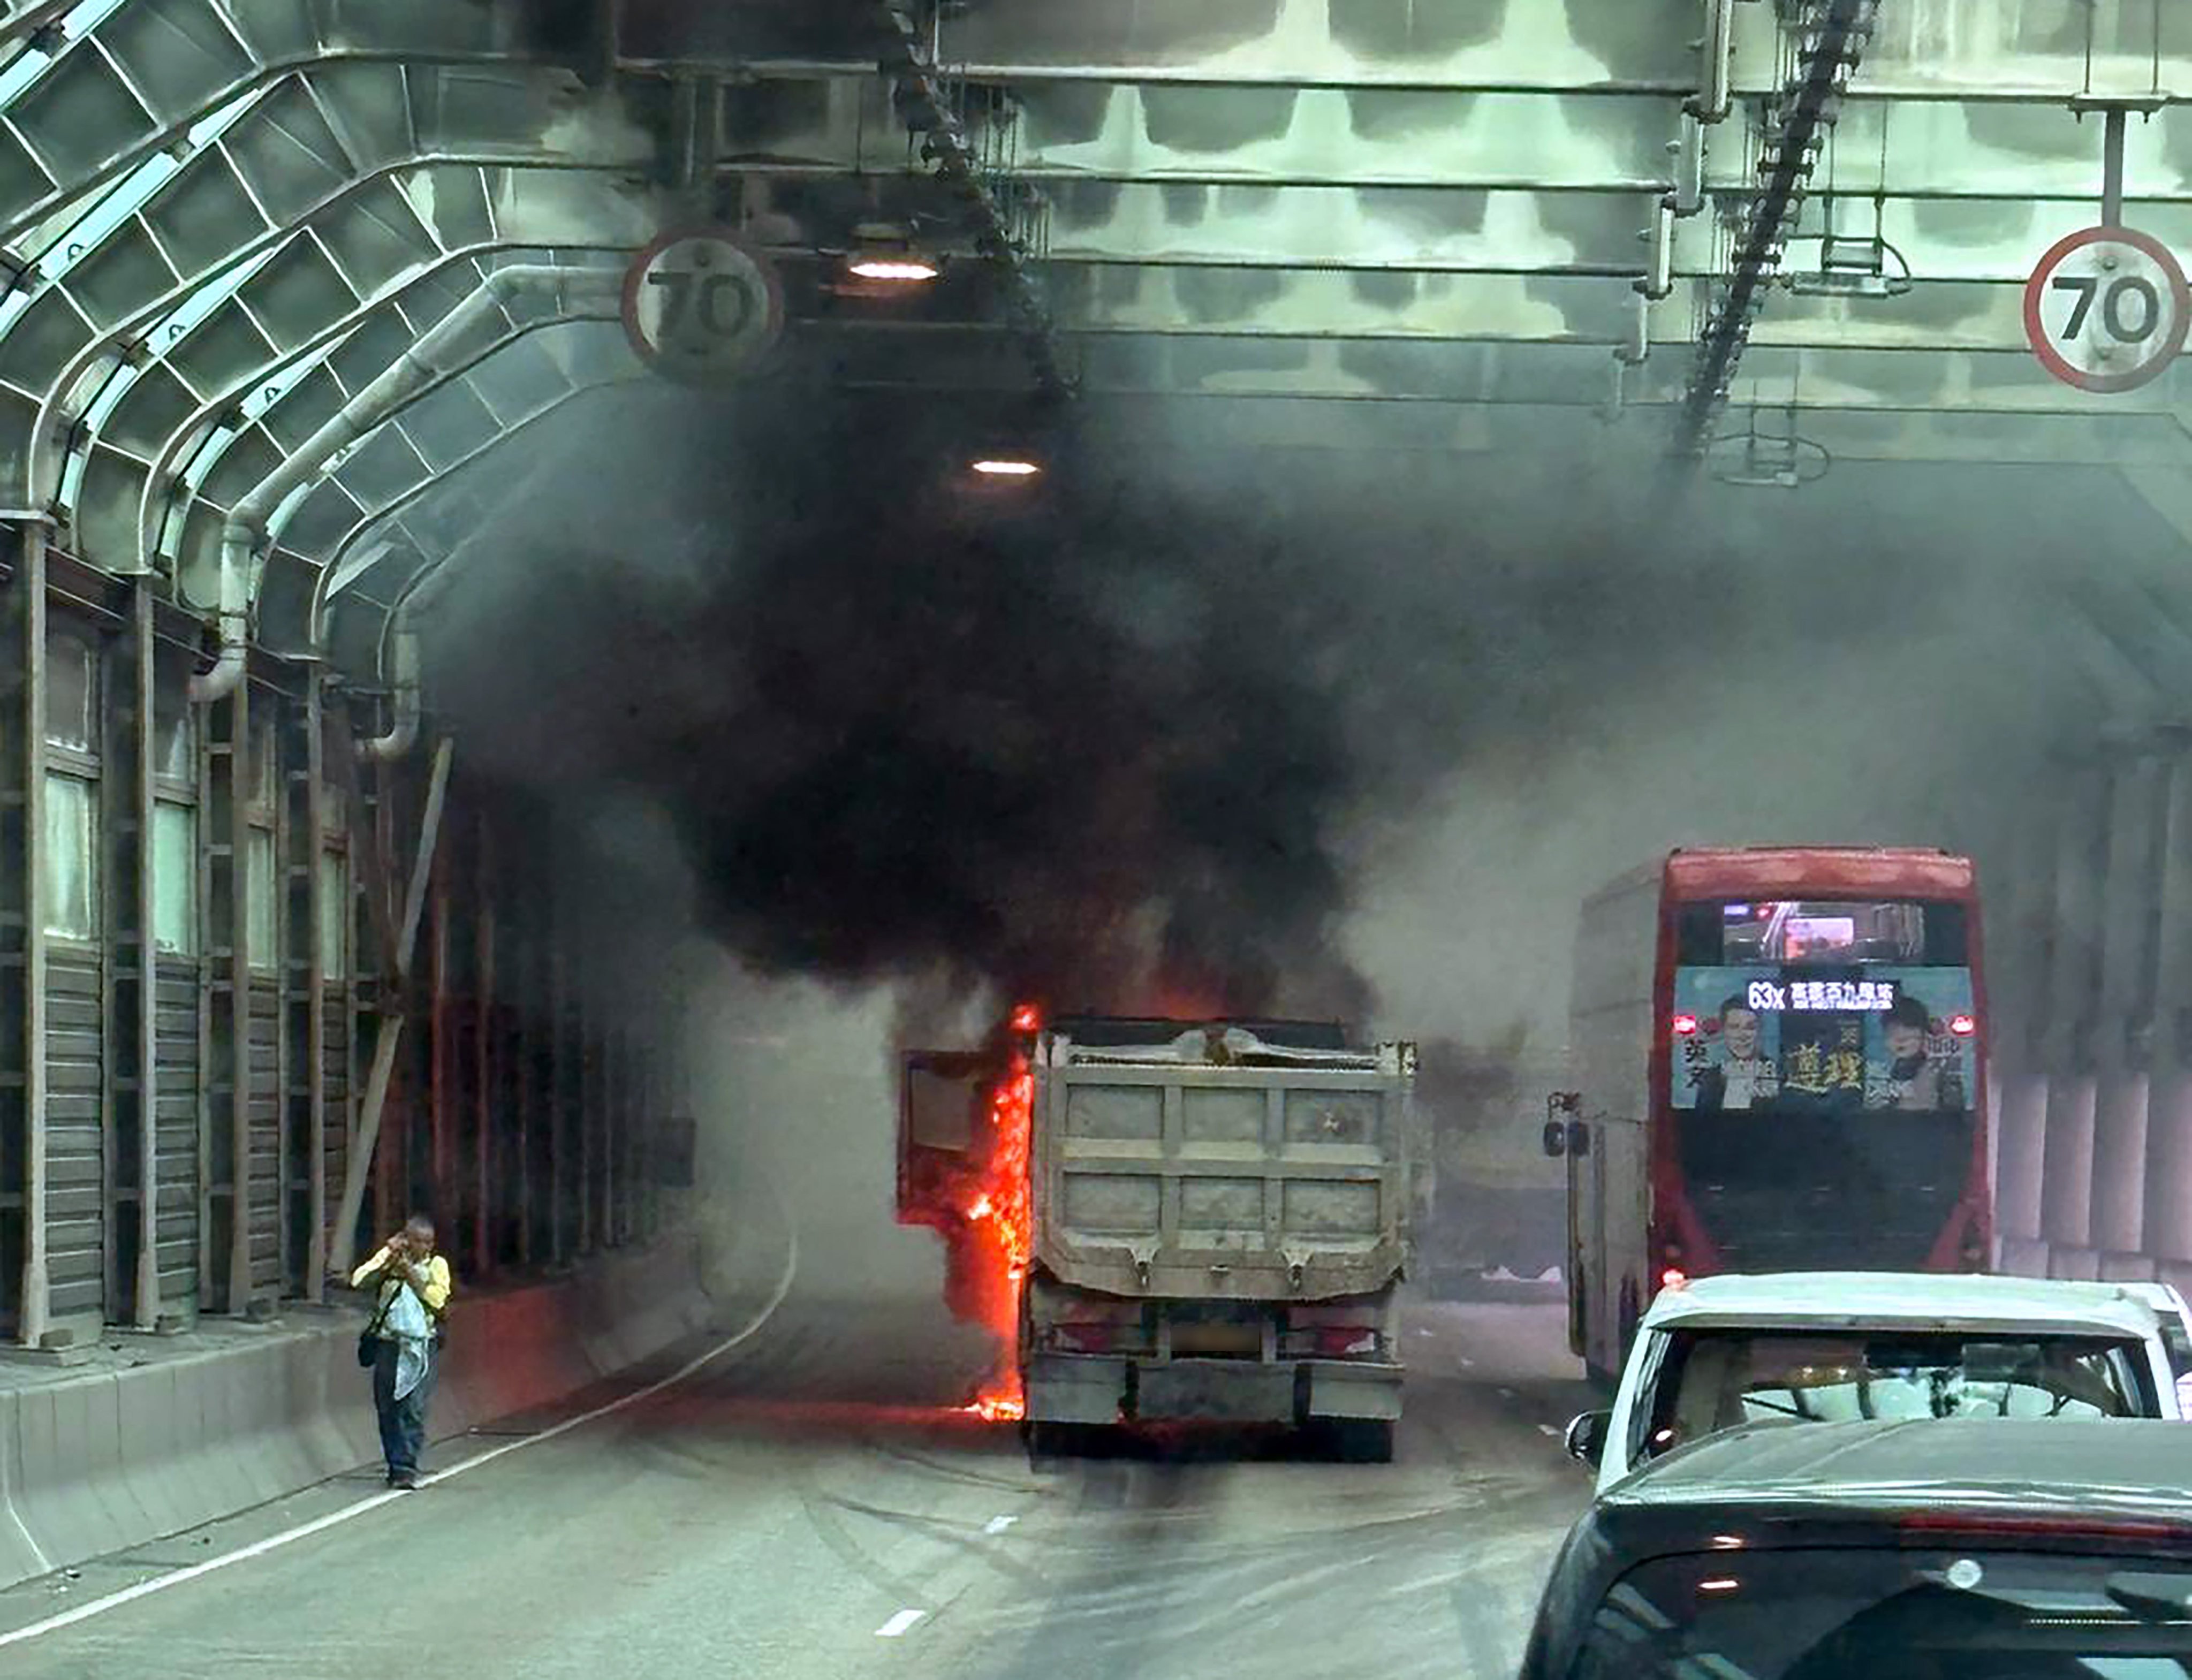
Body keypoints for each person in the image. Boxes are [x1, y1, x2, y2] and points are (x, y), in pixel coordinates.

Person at [350, 1214, 451, 1489]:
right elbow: (359, 1281)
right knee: (388, 1407)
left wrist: (411, 1274)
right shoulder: (390, 1258)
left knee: (413, 1406)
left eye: (429, 1242)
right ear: (407, 1240)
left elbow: (437, 1298)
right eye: (418, 1241)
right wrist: (388, 1259)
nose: (424, 1247)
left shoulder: (437, 1266)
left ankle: (406, 1465)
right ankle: (395, 1464)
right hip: (389, 1343)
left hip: (421, 1343)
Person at [1694, 997, 1778, 1111]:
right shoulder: (1710, 1079)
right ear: (1724, 1031)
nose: (1742, 1036)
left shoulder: (1779, 1074)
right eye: (1734, 1028)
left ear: (1760, 1031)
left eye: (1750, 1028)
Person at [1875, 994, 1941, 1111]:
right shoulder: (1891, 1070)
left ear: (1924, 1035)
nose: (1901, 1041)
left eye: (1909, 1033)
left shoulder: (1931, 1072)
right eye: (1893, 1032)